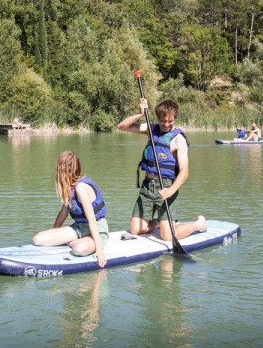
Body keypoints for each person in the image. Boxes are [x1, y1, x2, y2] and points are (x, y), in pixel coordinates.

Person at [117, 98, 206, 241]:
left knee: (167, 236)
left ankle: (198, 224)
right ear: (158, 118)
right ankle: (161, 222)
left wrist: (170, 191)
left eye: (170, 121)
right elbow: (122, 126)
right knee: (136, 229)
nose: (166, 124)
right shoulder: (152, 129)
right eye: (163, 121)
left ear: (175, 118)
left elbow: (184, 172)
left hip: (166, 186)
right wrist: (140, 114)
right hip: (147, 186)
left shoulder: (179, 140)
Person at [33, 151, 108, 268]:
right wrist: (55, 231)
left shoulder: (81, 188)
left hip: (97, 231)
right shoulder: (69, 187)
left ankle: (73, 243)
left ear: (64, 170)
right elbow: (63, 213)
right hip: (78, 228)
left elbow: (92, 220)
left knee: (79, 249)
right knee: (37, 239)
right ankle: (74, 241)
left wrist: (99, 251)